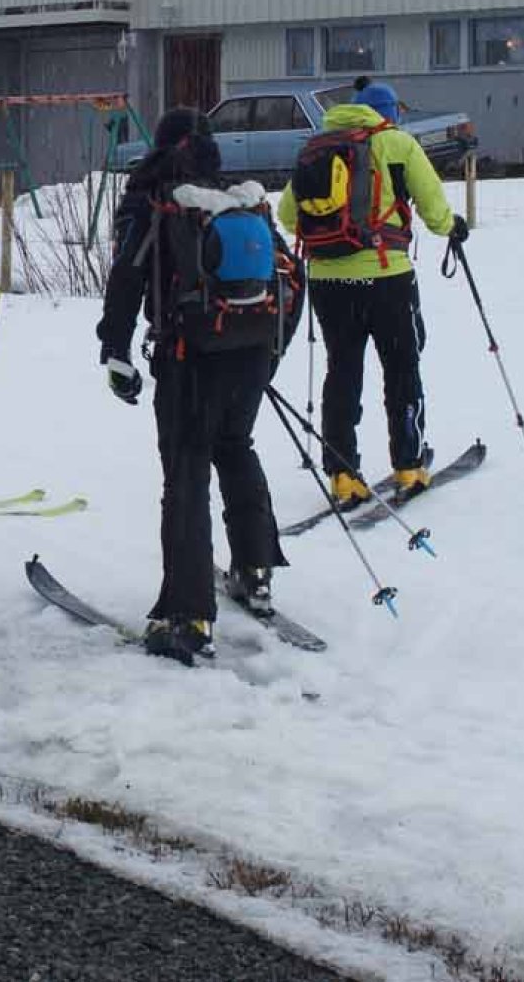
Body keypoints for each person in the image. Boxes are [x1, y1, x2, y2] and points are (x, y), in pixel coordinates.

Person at [97, 108, 297, 667]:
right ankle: (255, 571)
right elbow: (288, 276)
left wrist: (114, 350)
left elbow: (126, 276)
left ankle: (187, 615)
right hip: (251, 350)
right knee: (235, 447)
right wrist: (271, 349)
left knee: (185, 473)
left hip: (189, 357)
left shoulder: (155, 198)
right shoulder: (241, 199)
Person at [277, 78, 466, 507]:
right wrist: (451, 227)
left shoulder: (317, 148)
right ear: (390, 114)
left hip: (328, 282)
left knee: (342, 370)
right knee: (401, 367)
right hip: (386, 277)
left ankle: (343, 474)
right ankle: (409, 465)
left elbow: (288, 216)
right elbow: (434, 208)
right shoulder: (397, 144)